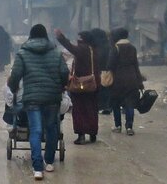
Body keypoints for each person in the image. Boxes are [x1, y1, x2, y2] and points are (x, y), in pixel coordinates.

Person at [8, 24, 69, 180]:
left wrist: (14, 88)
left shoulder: (22, 53)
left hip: (32, 98)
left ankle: (37, 168)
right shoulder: (56, 53)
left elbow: (15, 76)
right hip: (52, 98)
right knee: (51, 128)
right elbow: (64, 73)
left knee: (35, 130)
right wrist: (61, 86)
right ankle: (49, 162)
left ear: (31, 36)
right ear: (45, 36)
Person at [54, 29, 100, 145]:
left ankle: (81, 135)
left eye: (79, 37)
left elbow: (70, 47)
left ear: (82, 39)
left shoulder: (82, 49)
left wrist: (61, 37)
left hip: (80, 85)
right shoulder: (93, 50)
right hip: (92, 85)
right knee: (92, 109)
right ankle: (93, 133)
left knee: (79, 111)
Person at [107, 28, 144, 136]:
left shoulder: (115, 48)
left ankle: (118, 126)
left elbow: (110, 65)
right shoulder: (132, 48)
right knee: (130, 104)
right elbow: (136, 66)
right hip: (132, 79)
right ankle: (129, 127)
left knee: (116, 103)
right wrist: (139, 82)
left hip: (118, 81)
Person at [91, 28, 112, 114]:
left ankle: (101, 106)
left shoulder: (96, 46)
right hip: (109, 72)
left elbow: (97, 59)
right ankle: (107, 106)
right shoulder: (109, 45)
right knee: (107, 90)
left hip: (99, 72)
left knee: (100, 90)